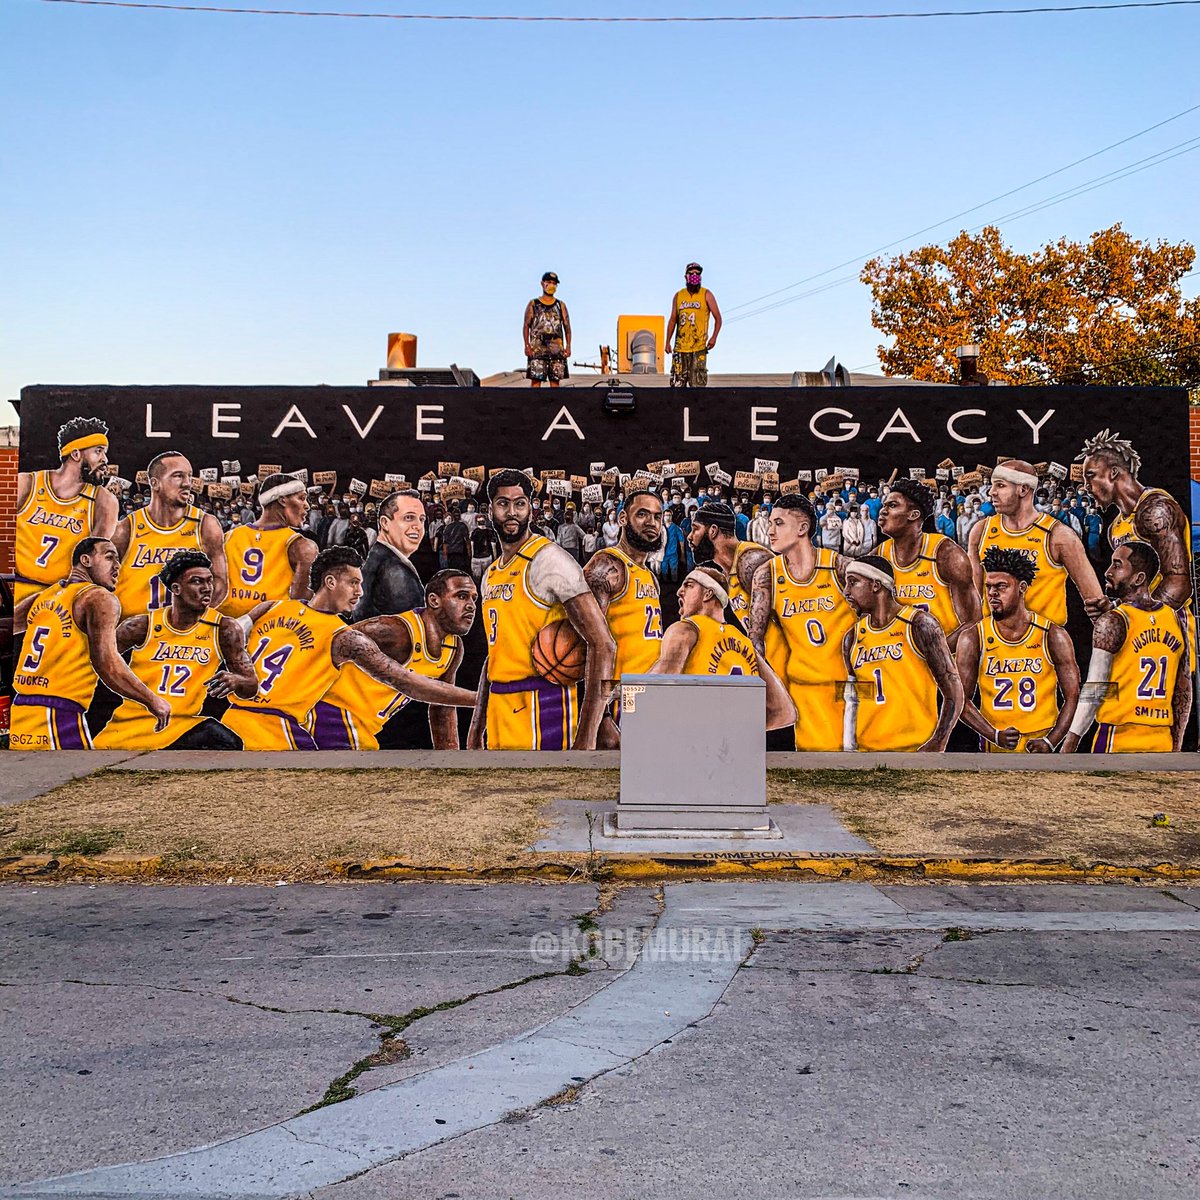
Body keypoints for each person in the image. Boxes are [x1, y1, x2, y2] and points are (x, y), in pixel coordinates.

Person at [223, 547, 476, 750]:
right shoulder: (349, 636)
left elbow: (228, 632)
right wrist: (483, 699)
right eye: (353, 583)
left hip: (234, 717)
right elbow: (408, 683)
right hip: (297, 724)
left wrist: (242, 674)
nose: (360, 592)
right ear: (330, 582)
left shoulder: (272, 607)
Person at [468, 470, 615, 751]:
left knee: (543, 795)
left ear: (531, 510)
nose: (512, 512)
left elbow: (603, 644)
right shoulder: (491, 574)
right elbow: (495, 652)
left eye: (520, 503)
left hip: (545, 705)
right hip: (500, 705)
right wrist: (476, 727)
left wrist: (587, 737)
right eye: (503, 503)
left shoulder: (550, 559)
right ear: (490, 510)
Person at [11, 537, 172, 749]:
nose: (117, 566)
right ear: (86, 560)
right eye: (109, 557)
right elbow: (106, 662)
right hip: (57, 712)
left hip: (22, 710)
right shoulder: (98, 598)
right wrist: (152, 700)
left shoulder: (44, 596)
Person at [97, 550, 258, 750]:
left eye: (209, 581)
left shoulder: (224, 629)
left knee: (225, 740)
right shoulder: (141, 626)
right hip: (133, 722)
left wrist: (237, 681)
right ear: (176, 588)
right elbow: (101, 664)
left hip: (181, 725)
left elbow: (251, 686)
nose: (207, 588)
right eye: (197, 582)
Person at [311, 569, 477, 750]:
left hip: (362, 727)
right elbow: (327, 643)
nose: (471, 605)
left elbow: (443, 707)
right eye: (461, 596)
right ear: (434, 600)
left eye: (473, 599)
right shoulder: (394, 630)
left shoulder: (453, 648)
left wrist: (449, 760)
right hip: (329, 715)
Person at [748, 494, 857, 752]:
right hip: (803, 686)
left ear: (802, 528)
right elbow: (756, 639)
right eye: (770, 523)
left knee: (856, 763)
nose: (770, 531)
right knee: (815, 767)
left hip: (847, 684)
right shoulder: (767, 574)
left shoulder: (839, 566)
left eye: (779, 523)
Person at [1062, 543, 1191, 753]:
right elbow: (1183, 689)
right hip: (1162, 739)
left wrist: (1071, 740)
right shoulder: (1173, 619)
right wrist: (1176, 743)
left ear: (1138, 579)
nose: (1108, 572)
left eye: (1117, 566)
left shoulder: (1113, 621)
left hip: (1117, 738)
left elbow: (1097, 687)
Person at [955, 548, 1080, 754]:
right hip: (994, 745)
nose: (993, 593)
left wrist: (1051, 741)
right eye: (988, 587)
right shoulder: (973, 637)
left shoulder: (1051, 634)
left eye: (1001, 586)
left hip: (1042, 739)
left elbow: (1073, 696)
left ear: (1022, 587)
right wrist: (993, 734)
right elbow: (961, 700)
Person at [841, 556, 964, 753]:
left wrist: (938, 741)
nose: (846, 591)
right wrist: (849, 748)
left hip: (914, 748)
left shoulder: (919, 624)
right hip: (867, 750)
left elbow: (953, 688)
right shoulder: (852, 637)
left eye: (853, 582)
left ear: (875, 585)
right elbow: (853, 699)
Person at [650, 566, 796, 731]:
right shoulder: (744, 641)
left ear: (708, 594)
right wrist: (739, 729)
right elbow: (785, 712)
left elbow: (659, 684)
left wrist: (628, 694)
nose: (679, 592)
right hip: (735, 746)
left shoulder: (687, 629)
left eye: (688, 585)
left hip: (695, 739)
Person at [968, 458, 1105, 626]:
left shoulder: (1059, 535)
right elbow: (973, 600)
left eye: (1000, 485)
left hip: (1044, 645)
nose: (991, 492)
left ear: (1023, 489)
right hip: (995, 646)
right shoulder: (981, 531)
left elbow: (1096, 602)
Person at [583, 489, 664, 747]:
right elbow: (586, 642)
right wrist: (603, 716)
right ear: (622, 519)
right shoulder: (608, 565)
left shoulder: (649, 574)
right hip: (619, 699)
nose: (651, 522)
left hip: (649, 697)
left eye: (657, 516)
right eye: (642, 514)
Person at [1079, 429, 1193, 611]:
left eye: (1090, 476)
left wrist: (1135, 618)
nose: (1085, 487)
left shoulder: (1156, 509)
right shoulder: (1115, 528)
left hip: (1170, 627)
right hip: (1142, 630)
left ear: (1113, 472)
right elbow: (1137, 593)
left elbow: (1178, 583)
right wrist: (1115, 607)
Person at [15, 416, 119, 606]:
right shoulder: (27, 484)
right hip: (17, 589)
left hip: (62, 598)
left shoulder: (104, 502)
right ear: (76, 454)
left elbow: (95, 565)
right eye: (98, 451)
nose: (105, 459)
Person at [111, 451, 228, 618]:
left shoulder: (205, 525)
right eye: (178, 476)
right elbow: (102, 583)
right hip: (134, 635)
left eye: (189, 476)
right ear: (155, 483)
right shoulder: (126, 528)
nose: (187, 483)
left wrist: (189, 620)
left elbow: (220, 584)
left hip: (179, 637)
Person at [877, 477, 981, 649]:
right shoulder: (879, 555)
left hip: (943, 663)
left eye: (892, 505)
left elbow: (973, 622)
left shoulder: (945, 553)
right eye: (884, 505)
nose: (883, 511)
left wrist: (934, 655)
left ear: (914, 514)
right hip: (898, 661)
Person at [219, 474, 317, 620]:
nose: (307, 505)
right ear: (282, 500)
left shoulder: (229, 536)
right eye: (302, 498)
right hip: (270, 630)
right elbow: (301, 605)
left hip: (226, 624)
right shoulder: (302, 546)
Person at [686, 501, 771, 636]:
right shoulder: (729, 570)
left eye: (695, 529)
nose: (690, 536)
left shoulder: (751, 560)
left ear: (713, 531)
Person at [352, 489, 427, 621]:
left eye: (422, 520)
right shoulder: (393, 569)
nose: (419, 526)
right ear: (385, 523)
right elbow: (411, 627)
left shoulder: (378, 557)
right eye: (409, 517)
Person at [665, 262, 721, 388]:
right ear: (686, 277)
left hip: (698, 347)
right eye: (691, 274)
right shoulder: (679, 296)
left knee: (697, 385)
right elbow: (673, 319)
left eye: (697, 273)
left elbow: (718, 317)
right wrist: (667, 341)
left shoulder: (706, 294)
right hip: (680, 348)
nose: (694, 276)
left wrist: (714, 337)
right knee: (677, 385)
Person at [523, 271, 571, 388]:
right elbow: (526, 326)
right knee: (535, 382)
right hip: (537, 351)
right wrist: (527, 345)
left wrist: (568, 346)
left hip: (556, 352)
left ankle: (554, 405)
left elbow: (567, 327)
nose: (551, 285)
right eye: (549, 282)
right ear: (542, 283)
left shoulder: (561, 305)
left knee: (555, 383)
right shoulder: (533, 304)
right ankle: (534, 405)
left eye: (554, 283)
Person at [434, 504, 472, 574]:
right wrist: (470, 553)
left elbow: (445, 543)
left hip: (451, 553)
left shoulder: (448, 527)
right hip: (460, 553)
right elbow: (467, 541)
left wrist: (445, 555)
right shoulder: (463, 525)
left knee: (452, 572)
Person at [470, 517, 499, 585]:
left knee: (477, 580)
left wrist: (472, 557)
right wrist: (495, 558)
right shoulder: (490, 531)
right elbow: (493, 546)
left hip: (477, 558)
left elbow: (472, 546)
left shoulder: (474, 532)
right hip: (487, 557)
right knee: (487, 578)